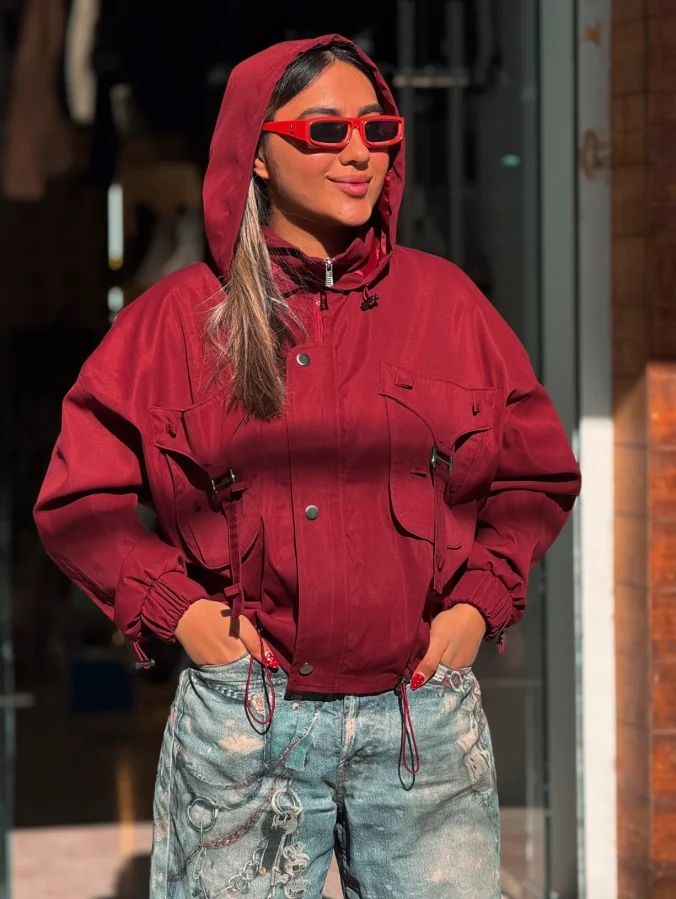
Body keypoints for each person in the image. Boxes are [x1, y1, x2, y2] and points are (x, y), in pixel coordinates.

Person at [35, 34, 581, 899]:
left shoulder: (448, 306)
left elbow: (535, 474)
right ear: (256, 153)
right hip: (246, 723)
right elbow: (79, 498)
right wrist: (183, 613)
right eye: (325, 130)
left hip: (423, 722)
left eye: (377, 129)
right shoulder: (178, 321)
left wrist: (480, 600)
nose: (359, 152)